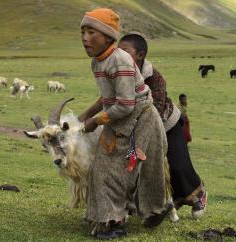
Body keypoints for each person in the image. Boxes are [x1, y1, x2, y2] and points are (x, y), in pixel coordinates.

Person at [78, 9, 171, 240]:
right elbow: (109, 97)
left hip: (137, 119)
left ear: (108, 37)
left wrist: (95, 121)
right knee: (107, 168)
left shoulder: (119, 60)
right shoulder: (98, 62)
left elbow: (127, 104)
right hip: (119, 119)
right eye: (82, 32)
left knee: (117, 171)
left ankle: (115, 223)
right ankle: (150, 210)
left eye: (91, 32)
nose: (85, 38)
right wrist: (86, 115)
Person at [118, 34, 207, 219]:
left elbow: (156, 109)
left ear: (140, 55)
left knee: (177, 166)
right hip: (134, 127)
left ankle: (198, 194)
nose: (120, 55)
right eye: (118, 51)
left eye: (125, 51)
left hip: (167, 124)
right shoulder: (119, 73)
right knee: (143, 168)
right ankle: (147, 205)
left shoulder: (155, 77)